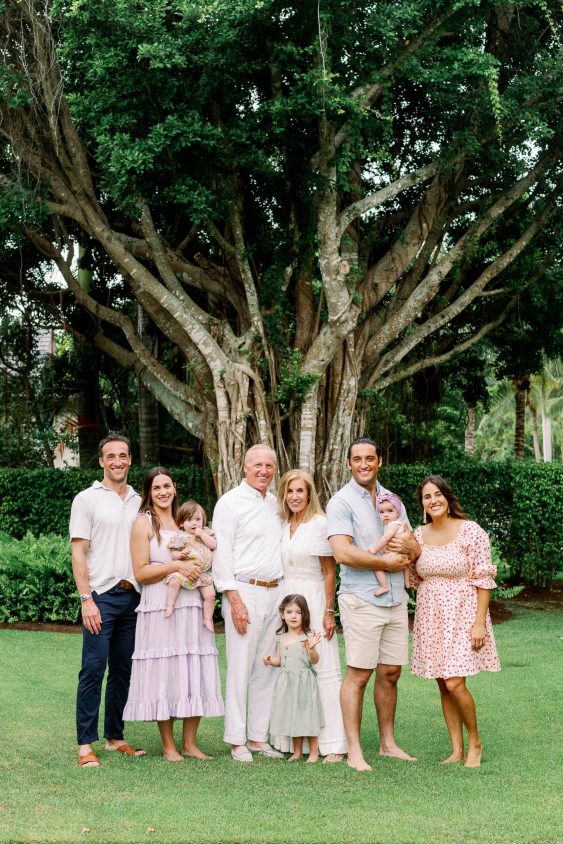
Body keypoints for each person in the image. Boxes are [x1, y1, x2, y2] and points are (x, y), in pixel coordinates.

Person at [326, 437, 420, 772]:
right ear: (349, 464)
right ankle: (354, 749)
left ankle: (387, 744)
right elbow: (342, 553)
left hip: (395, 598)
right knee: (360, 674)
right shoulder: (341, 502)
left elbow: (413, 546)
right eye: (357, 459)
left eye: (370, 458)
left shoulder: (391, 499)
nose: (364, 464)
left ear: (379, 461)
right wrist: (386, 564)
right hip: (361, 599)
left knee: (391, 672)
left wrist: (409, 549)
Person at [123, 467, 224, 761]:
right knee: (163, 668)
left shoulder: (186, 520)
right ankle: (169, 746)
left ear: (175, 488)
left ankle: (190, 744)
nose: (163, 492)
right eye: (156, 488)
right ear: (148, 493)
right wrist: (175, 566)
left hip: (191, 601)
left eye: (167, 486)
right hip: (160, 603)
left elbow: (207, 553)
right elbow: (141, 572)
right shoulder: (143, 523)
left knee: (194, 664)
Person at [410, 475, 500, 768]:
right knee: (442, 682)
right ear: (422, 504)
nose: (433, 500)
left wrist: (479, 623)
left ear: (447, 499)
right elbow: (411, 574)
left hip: (463, 612)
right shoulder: (418, 535)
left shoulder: (470, 531)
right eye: (427, 497)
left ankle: (475, 741)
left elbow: (483, 577)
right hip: (431, 614)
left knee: (454, 682)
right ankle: (456, 749)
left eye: (438, 495)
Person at [70, 433, 144, 768]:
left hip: (134, 597)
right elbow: (79, 551)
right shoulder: (86, 499)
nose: (117, 461)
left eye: (123, 455)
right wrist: (87, 599)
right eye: (110, 456)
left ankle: (115, 737)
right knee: (94, 668)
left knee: (123, 669)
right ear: (101, 461)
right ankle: (85, 745)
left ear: (130, 460)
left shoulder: (138, 500)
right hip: (101, 596)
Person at [212, 444, 285, 763]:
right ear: (245, 467)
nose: (264, 471)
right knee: (240, 666)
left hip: (276, 592)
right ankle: (237, 740)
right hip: (244, 591)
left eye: (269, 466)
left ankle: (257, 737)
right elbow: (222, 554)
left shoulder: (276, 503)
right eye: (257, 465)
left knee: (266, 666)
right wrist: (233, 597)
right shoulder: (229, 503)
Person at [272, 468, 347, 762]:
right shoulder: (283, 523)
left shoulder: (319, 524)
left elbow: (330, 571)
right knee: (292, 667)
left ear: (309, 493)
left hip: (313, 598)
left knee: (321, 666)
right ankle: (291, 741)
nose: (294, 497)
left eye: (300, 491)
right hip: (288, 596)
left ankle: (333, 744)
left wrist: (328, 612)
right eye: (289, 491)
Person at [264, 594, 324, 763]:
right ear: (283, 614)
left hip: (304, 682)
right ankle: (296, 752)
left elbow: (314, 660)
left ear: (304, 615)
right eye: (289, 612)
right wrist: (270, 660)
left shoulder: (307, 637)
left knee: (308, 715)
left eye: (298, 612)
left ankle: (314, 752)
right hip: (287, 683)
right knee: (293, 715)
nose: (293, 616)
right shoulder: (281, 638)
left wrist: (312, 648)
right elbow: (280, 660)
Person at [165, 499, 216, 631]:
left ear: (203, 521)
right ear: (181, 523)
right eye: (189, 520)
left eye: (198, 519)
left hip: (204, 573)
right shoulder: (180, 537)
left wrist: (202, 535)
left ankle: (207, 619)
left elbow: (213, 545)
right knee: (174, 582)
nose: (194, 523)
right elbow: (173, 555)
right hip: (186, 571)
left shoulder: (206, 532)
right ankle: (170, 605)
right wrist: (181, 554)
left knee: (210, 595)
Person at [368, 492, 411, 596]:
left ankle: (384, 586)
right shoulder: (395, 524)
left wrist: (375, 549)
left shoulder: (394, 524)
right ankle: (407, 583)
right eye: (381, 512)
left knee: (376, 565)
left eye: (390, 511)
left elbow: (386, 538)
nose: (385, 514)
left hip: (395, 554)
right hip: (401, 554)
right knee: (406, 564)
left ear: (398, 513)